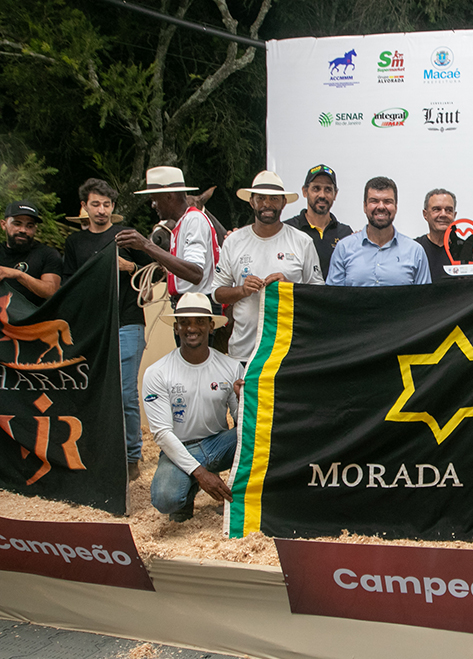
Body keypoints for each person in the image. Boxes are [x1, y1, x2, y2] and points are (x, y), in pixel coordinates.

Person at [63, 178, 151, 481]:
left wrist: (130, 267)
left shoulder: (127, 236)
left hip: (127, 321)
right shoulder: (75, 243)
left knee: (125, 393)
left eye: (107, 204)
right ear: (84, 207)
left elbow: (154, 272)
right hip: (92, 326)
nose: (101, 210)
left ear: (113, 207)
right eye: (95, 204)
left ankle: (131, 457)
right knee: (94, 391)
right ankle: (97, 453)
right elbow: (68, 284)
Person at [143, 292, 243, 522]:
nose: (192, 328)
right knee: (165, 499)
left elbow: (243, 422)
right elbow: (162, 434)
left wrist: (243, 400)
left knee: (253, 434)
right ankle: (187, 492)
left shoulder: (231, 366)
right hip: (180, 447)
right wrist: (201, 474)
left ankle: (240, 498)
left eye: (199, 321)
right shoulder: (157, 372)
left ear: (211, 326)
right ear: (176, 327)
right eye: (184, 322)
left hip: (218, 444)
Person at [212, 171, 324, 363]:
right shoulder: (234, 241)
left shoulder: (302, 242)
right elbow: (216, 293)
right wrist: (242, 290)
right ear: (251, 202)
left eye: (274, 199)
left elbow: (319, 294)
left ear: (283, 203)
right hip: (244, 351)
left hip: (289, 351)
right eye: (261, 198)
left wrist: (288, 287)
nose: (267, 204)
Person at [117, 166, 219, 301]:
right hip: (189, 301)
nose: (153, 205)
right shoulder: (182, 223)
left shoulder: (194, 220)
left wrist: (146, 245)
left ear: (169, 196)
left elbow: (195, 274)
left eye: (154, 199)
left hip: (197, 302)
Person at [327, 176, 431, 286]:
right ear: (365, 206)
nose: (381, 207)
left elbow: (424, 296)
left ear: (396, 207)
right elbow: (333, 295)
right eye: (374, 201)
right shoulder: (344, 248)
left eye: (387, 201)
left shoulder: (415, 252)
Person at [283, 164, 353, 277]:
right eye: (316, 189)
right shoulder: (288, 229)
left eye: (328, 189)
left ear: (335, 194)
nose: (322, 195)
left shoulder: (345, 233)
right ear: (305, 191)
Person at [414, 188, 473, 281]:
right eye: (436, 209)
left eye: (448, 210)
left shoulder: (466, 249)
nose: (443, 214)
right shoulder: (414, 249)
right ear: (425, 214)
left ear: (454, 215)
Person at [0, 201, 62, 306]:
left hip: (32, 315)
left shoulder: (48, 254)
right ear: (3, 224)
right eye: (17, 224)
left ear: (35, 229)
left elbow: (52, 292)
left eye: (29, 226)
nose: (23, 230)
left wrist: (19, 275)